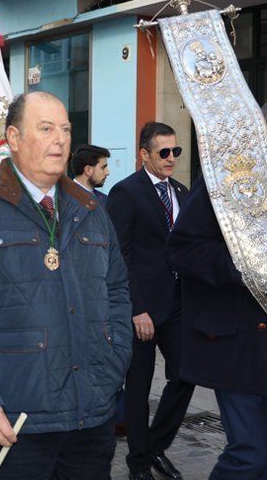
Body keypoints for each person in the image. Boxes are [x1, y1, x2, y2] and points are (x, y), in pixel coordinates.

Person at [0, 91, 133, 479]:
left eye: (66, 129)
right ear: (13, 138)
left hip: (90, 413)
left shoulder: (92, 211)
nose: (60, 139)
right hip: (14, 420)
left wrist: (113, 364)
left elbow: (117, 291)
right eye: (45, 129)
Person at [166, 101, 267, 479]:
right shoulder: (224, 187)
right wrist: (246, 268)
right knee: (249, 453)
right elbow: (183, 248)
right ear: (261, 134)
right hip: (233, 343)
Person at [107, 122, 194, 480]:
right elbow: (118, 254)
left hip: (177, 306)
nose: (171, 158)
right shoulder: (125, 192)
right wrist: (135, 307)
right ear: (144, 154)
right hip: (141, 309)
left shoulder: (182, 191)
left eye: (176, 151)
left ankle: (154, 446)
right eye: (164, 152)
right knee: (139, 390)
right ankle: (139, 464)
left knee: (186, 374)